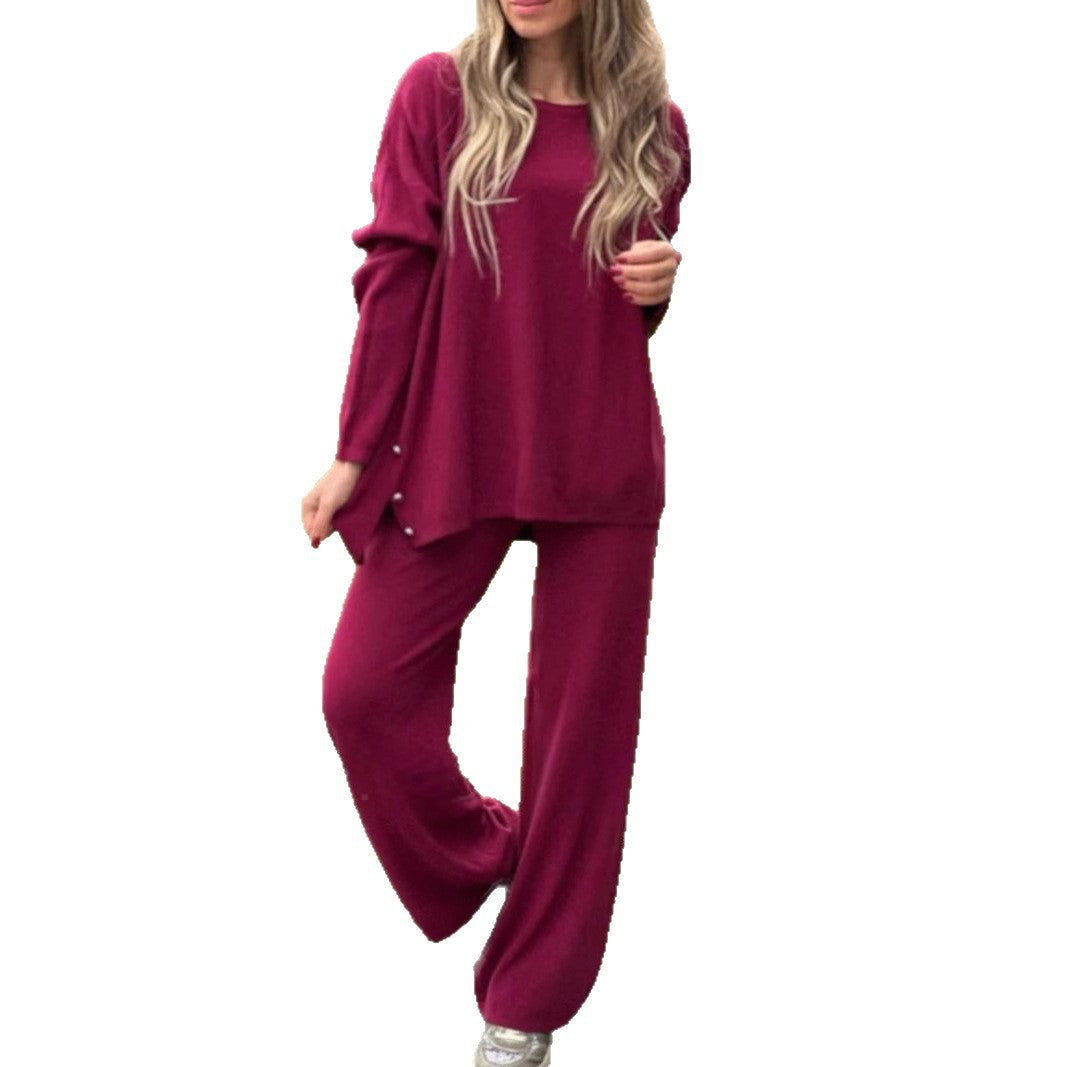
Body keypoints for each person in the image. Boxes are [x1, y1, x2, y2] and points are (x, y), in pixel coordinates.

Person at [301, 2, 690, 1063]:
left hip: (599, 450)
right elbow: (395, 273)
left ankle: (525, 1010)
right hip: (456, 441)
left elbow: (614, 300)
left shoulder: (652, 127)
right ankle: (500, 850)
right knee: (361, 691)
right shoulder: (439, 94)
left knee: (581, 744)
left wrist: (660, 286)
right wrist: (354, 451)